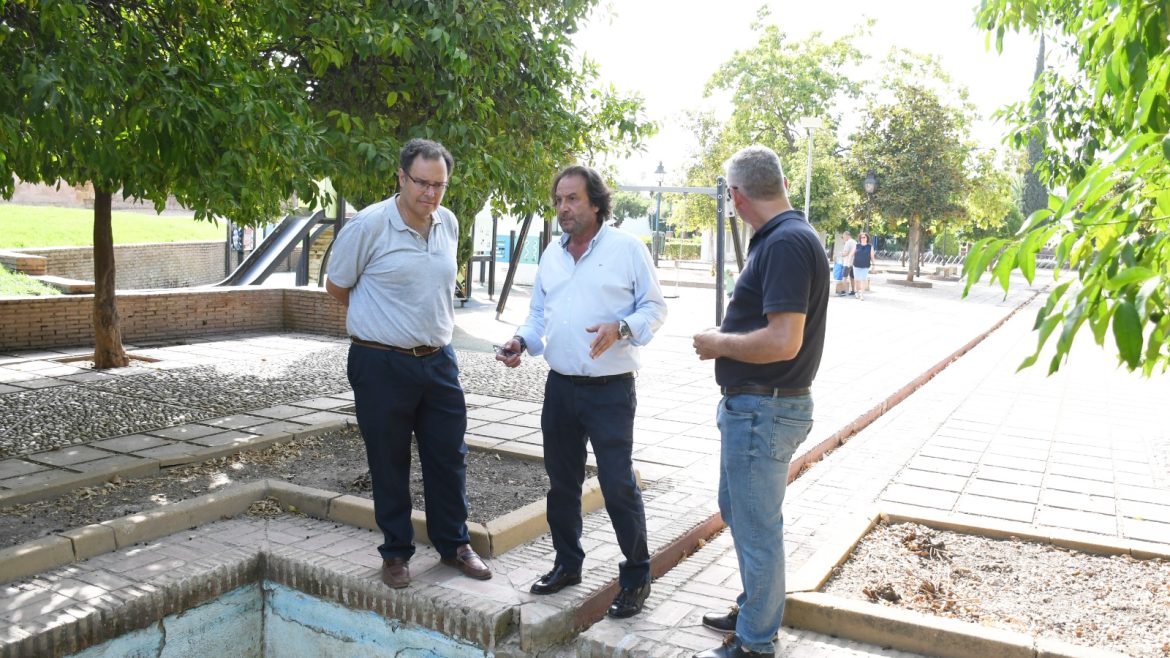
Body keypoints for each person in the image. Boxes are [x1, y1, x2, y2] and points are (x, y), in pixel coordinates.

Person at [496, 165, 667, 619]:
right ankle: (568, 565)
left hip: (610, 392)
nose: (563, 208)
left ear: (595, 203)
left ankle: (636, 575)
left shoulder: (627, 249)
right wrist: (520, 341)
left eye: (572, 199)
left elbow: (655, 307)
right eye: (558, 200)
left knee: (617, 485)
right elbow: (539, 315)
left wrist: (622, 327)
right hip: (560, 389)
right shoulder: (551, 255)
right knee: (561, 484)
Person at [325, 138, 491, 589]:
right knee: (388, 460)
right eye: (422, 183)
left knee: (448, 457)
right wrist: (381, 324)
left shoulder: (449, 223)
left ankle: (455, 545)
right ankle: (396, 553)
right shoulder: (369, 226)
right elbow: (337, 287)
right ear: (401, 177)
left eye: (440, 185)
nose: (431, 194)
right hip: (380, 364)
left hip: (439, 363)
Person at [691, 145, 829, 658]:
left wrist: (718, 342)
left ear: (737, 197)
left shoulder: (786, 243)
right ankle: (756, 607)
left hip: (764, 409)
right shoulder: (786, 236)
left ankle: (755, 641)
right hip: (759, 407)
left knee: (756, 524)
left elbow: (783, 340)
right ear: (782, 182)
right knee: (740, 511)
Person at [852, 232, 873, 300]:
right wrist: (848, 262)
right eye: (861, 237)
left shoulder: (870, 247)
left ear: (867, 238)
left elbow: (872, 256)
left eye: (864, 237)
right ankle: (857, 292)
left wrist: (874, 265)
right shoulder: (857, 246)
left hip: (865, 265)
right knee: (857, 280)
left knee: (863, 280)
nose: (863, 238)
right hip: (856, 265)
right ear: (860, 238)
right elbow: (852, 254)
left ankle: (862, 295)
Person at [835, 230, 856, 296]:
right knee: (852, 277)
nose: (843, 238)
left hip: (847, 263)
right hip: (853, 262)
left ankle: (843, 291)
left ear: (847, 235)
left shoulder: (848, 242)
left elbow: (846, 253)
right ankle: (853, 291)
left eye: (844, 236)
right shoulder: (854, 242)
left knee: (844, 277)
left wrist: (841, 254)